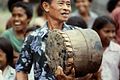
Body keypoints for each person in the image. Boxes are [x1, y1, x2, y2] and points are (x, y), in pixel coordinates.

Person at [15, 0, 76, 80]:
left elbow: (91, 70)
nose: (66, 8)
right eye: (61, 3)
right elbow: (21, 69)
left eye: (68, 4)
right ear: (46, 6)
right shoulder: (33, 38)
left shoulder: (76, 34)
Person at [1, 1, 33, 67]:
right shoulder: (6, 35)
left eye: (20, 15)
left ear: (29, 19)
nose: (16, 19)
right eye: (13, 15)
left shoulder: (34, 34)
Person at [92, 16, 120, 80]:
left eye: (113, 31)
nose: (111, 35)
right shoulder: (90, 50)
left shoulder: (117, 50)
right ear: (97, 31)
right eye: (107, 31)